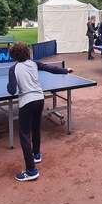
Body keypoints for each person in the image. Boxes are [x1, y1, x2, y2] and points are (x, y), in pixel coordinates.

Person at [6, 42, 72, 182]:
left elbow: (11, 90)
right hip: (39, 99)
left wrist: (10, 83)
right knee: (35, 128)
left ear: (13, 56)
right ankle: (36, 154)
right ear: (27, 53)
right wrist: (65, 70)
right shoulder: (34, 63)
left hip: (27, 102)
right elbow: (51, 69)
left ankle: (31, 171)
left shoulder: (13, 69)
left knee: (24, 135)